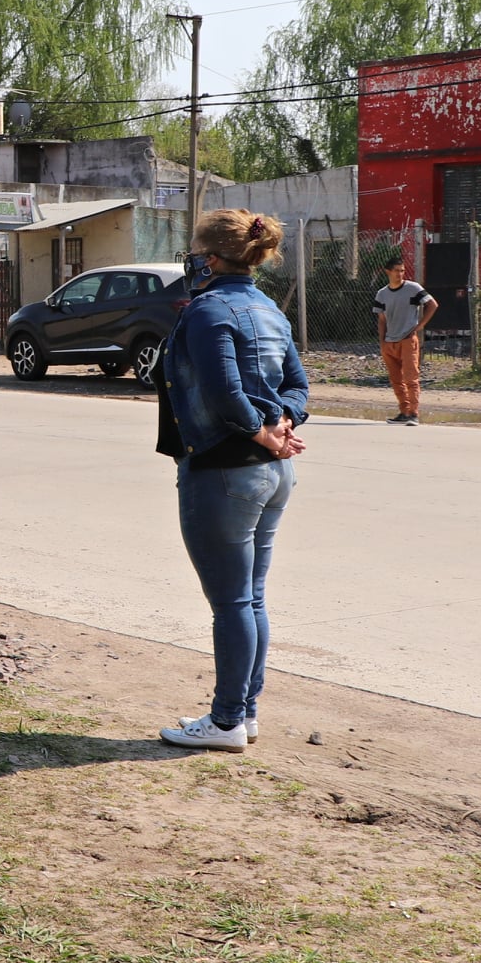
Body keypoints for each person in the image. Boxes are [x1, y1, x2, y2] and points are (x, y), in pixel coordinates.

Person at [156, 210, 309, 752]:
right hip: (273, 474)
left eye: (196, 253)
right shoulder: (268, 309)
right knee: (251, 598)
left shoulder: (208, 310)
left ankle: (225, 723)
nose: (192, 262)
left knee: (232, 604)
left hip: (225, 471)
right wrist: (282, 425)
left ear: (212, 259)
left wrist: (264, 431)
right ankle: (244, 712)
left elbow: (224, 394)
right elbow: (298, 385)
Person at [373, 255, 437, 426]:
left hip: (407, 339)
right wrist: (382, 342)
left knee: (411, 377)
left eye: (402, 271)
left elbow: (432, 305)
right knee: (396, 380)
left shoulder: (413, 288)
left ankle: (414, 413)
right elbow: (381, 319)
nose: (400, 274)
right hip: (389, 341)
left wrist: (420, 326)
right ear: (388, 272)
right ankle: (404, 411)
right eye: (396, 271)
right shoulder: (382, 294)